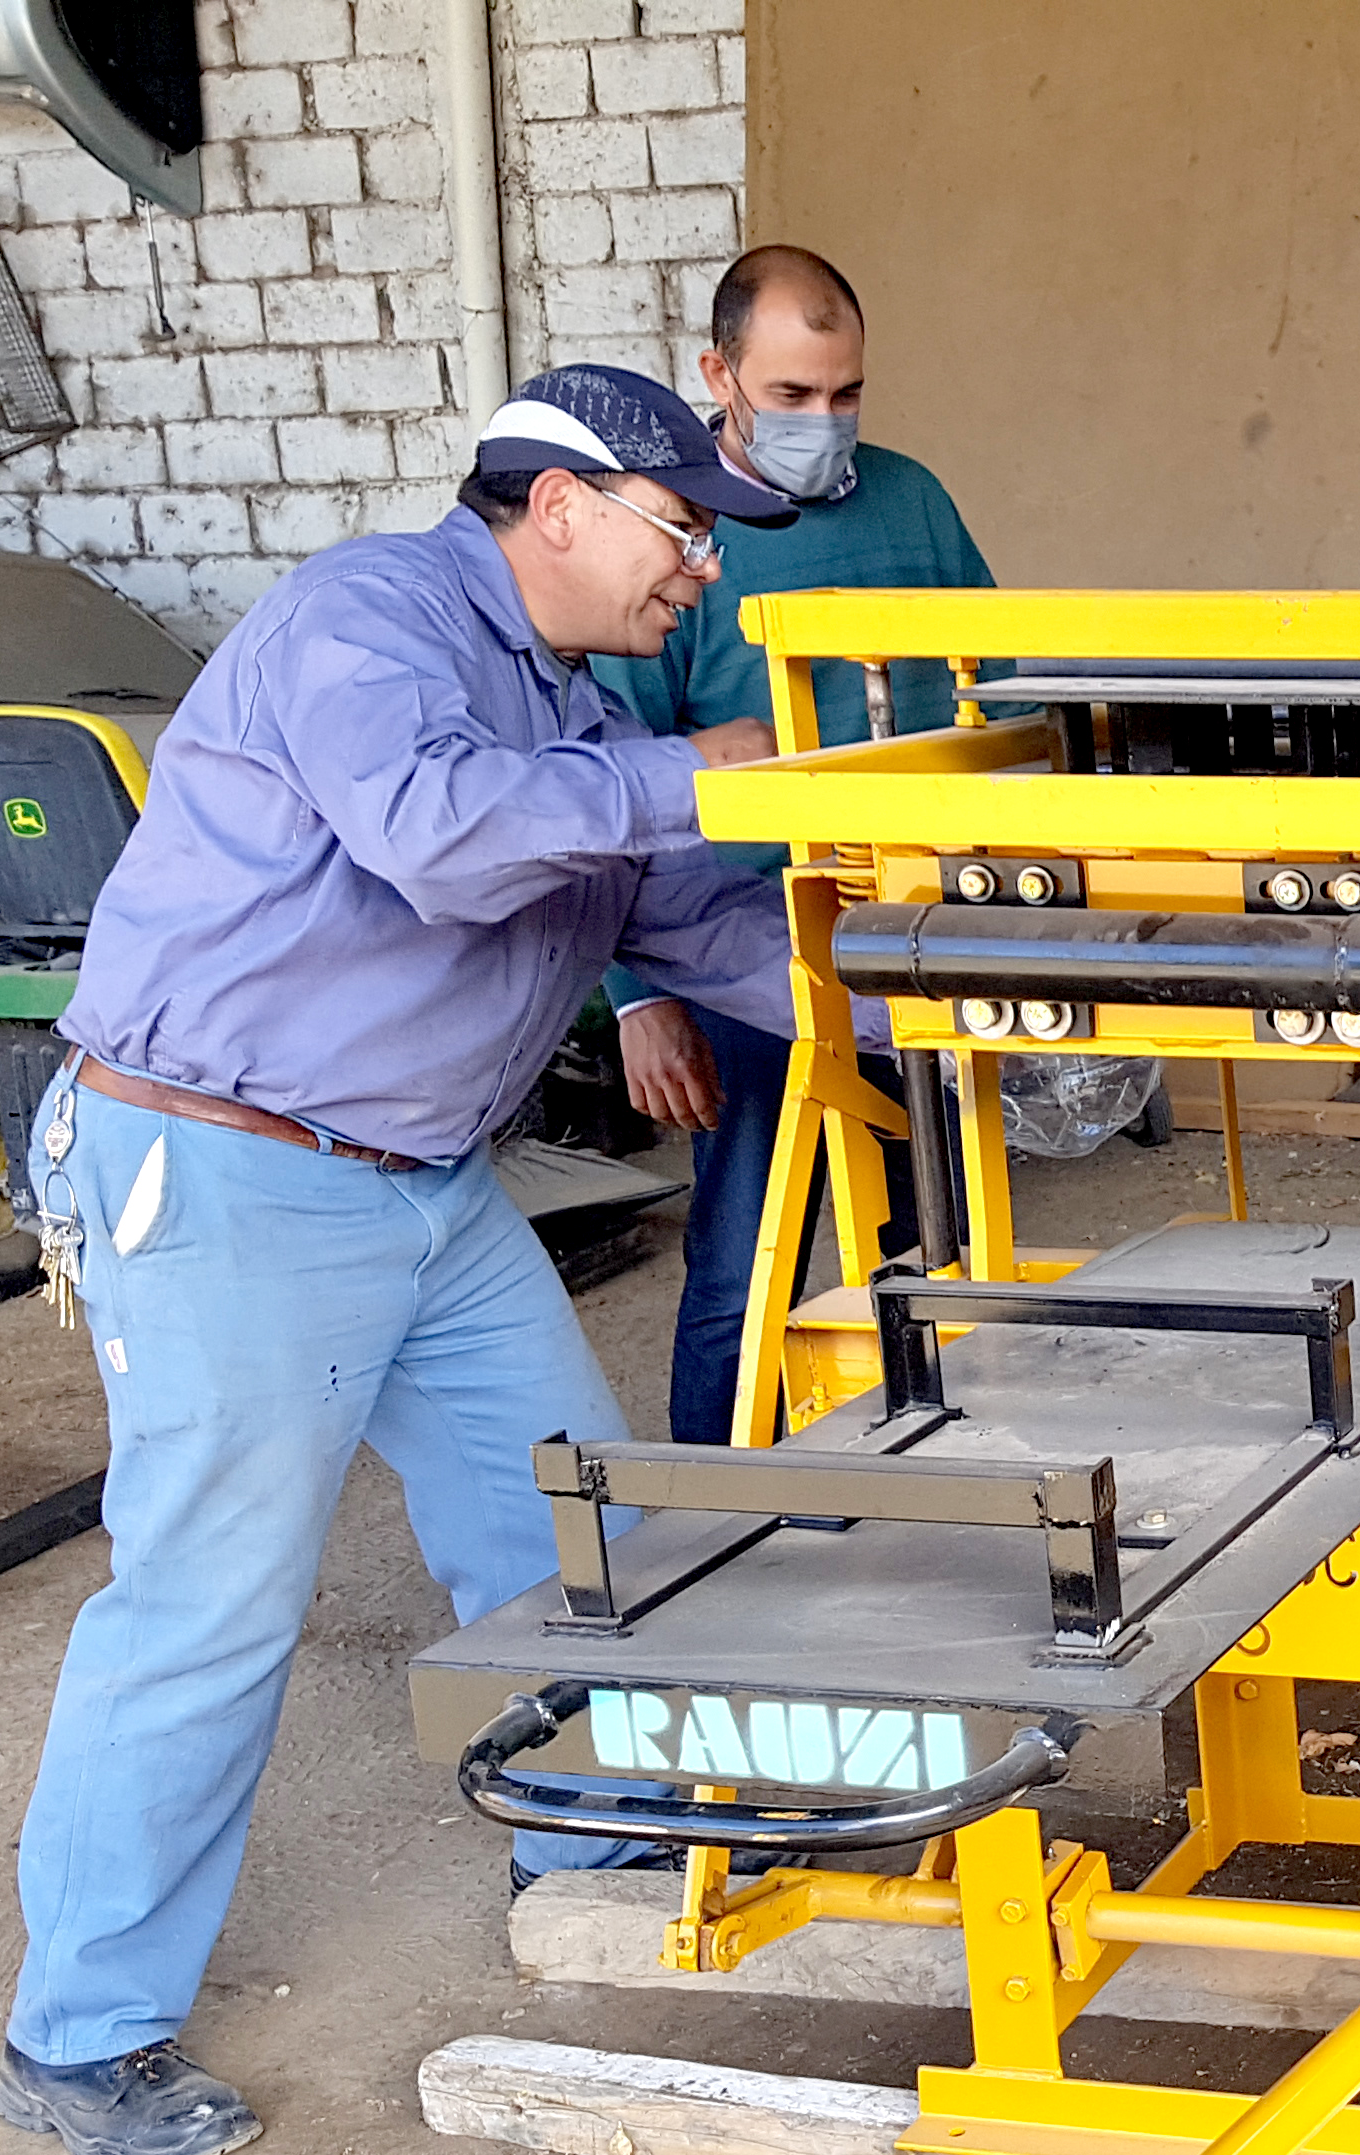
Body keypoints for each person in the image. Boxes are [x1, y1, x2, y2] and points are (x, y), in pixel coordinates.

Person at [0, 365, 841, 2155]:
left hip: (424, 1185)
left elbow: (698, 919)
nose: (701, 571)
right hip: (224, 1165)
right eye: (683, 530)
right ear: (558, 503)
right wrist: (709, 768)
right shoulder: (365, 619)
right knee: (208, 1609)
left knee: (558, 1522)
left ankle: (591, 1833)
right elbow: (445, 830)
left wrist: (953, 978)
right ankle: (78, 2029)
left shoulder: (576, 707)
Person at [592, 243, 998, 1445]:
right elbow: (613, 779)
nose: (826, 423)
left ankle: (945, 1464)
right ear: (718, 374)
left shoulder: (915, 500)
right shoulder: (676, 534)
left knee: (945, 1244)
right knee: (743, 1258)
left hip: (918, 934)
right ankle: (715, 1520)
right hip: (739, 950)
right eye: (791, 397)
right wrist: (636, 998)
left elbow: (1001, 683)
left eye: (847, 393)